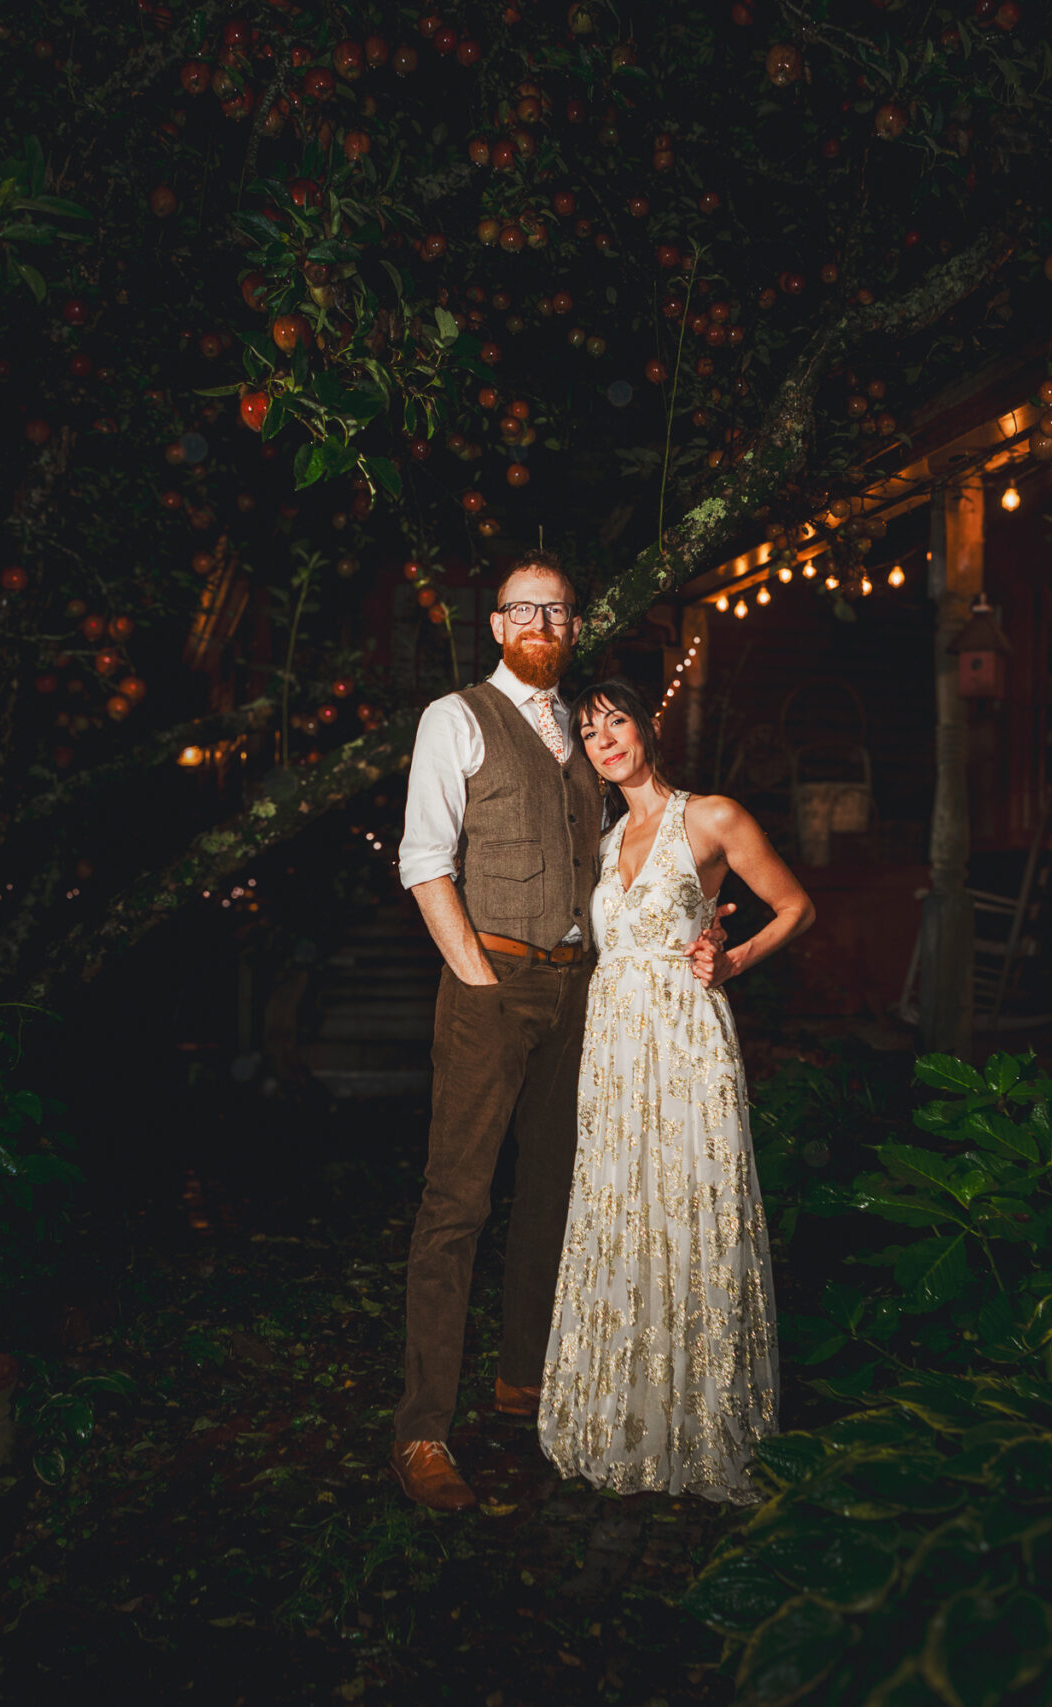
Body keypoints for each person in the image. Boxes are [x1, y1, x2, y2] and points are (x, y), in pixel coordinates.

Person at [388, 554, 726, 1512]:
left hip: (585, 996)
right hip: (490, 983)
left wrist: (705, 934)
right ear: (496, 625)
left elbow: (652, 853)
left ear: (574, 628)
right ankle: (421, 1430)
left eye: (559, 610)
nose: (543, 622)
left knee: (551, 1194)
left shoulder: (588, 740)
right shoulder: (456, 718)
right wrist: (476, 973)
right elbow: (424, 860)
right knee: (457, 1205)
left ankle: (522, 1381)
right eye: (523, 609)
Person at [538, 677, 813, 1504]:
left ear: (645, 726)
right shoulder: (602, 838)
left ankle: (702, 1421)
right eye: (589, 733)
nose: (606, 740)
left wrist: (731, 959)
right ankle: (623, 1410)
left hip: (687, 1045)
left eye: (615, 721)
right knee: (623, 1211)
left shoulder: (711, 815)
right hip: (614, 1048)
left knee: (692, 1206)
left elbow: (796, 905)